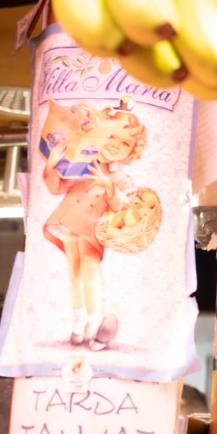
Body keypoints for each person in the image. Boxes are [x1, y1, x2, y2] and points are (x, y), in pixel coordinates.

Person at [42, 98, 147, 351]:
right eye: (110, 137)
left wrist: (109, 186)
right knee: (74, 271)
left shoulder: (120, 178)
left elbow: (125, 209)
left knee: (89, 270)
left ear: (131, 151)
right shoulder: (81, 166)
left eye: (124, 143)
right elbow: (56, 188)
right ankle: (80, 321)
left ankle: (96, 324)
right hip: (67, 221)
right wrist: (51, 165)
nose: (115, 146)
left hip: (92, 230)